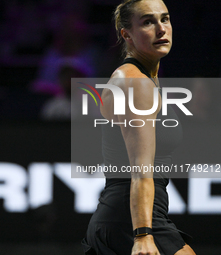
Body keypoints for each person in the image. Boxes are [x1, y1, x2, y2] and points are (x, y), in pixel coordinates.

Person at [82, 1, 196, 255]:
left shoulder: (142, 79)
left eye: (165, 19)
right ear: (126, 34)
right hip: (131, 222)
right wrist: (143, 235)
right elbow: (140, 170)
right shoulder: (136, 84)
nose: (161, 29)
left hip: (126, 218)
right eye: (147, 22)